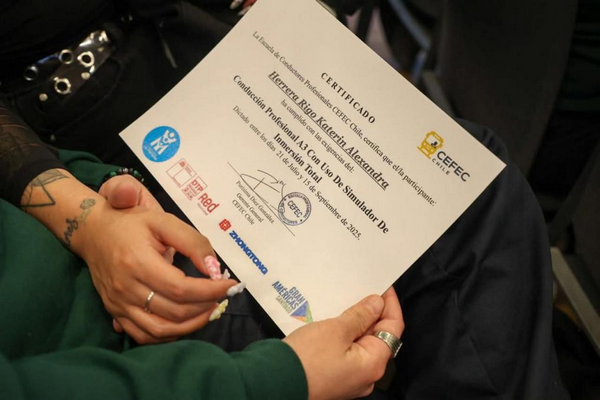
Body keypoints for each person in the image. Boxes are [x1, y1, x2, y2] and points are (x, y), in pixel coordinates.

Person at [1, 1, 569, 398]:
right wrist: (283, 378)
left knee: (470, 181)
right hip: (114, 286)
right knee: (462, 217)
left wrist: (87, 199)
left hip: (196, 87)